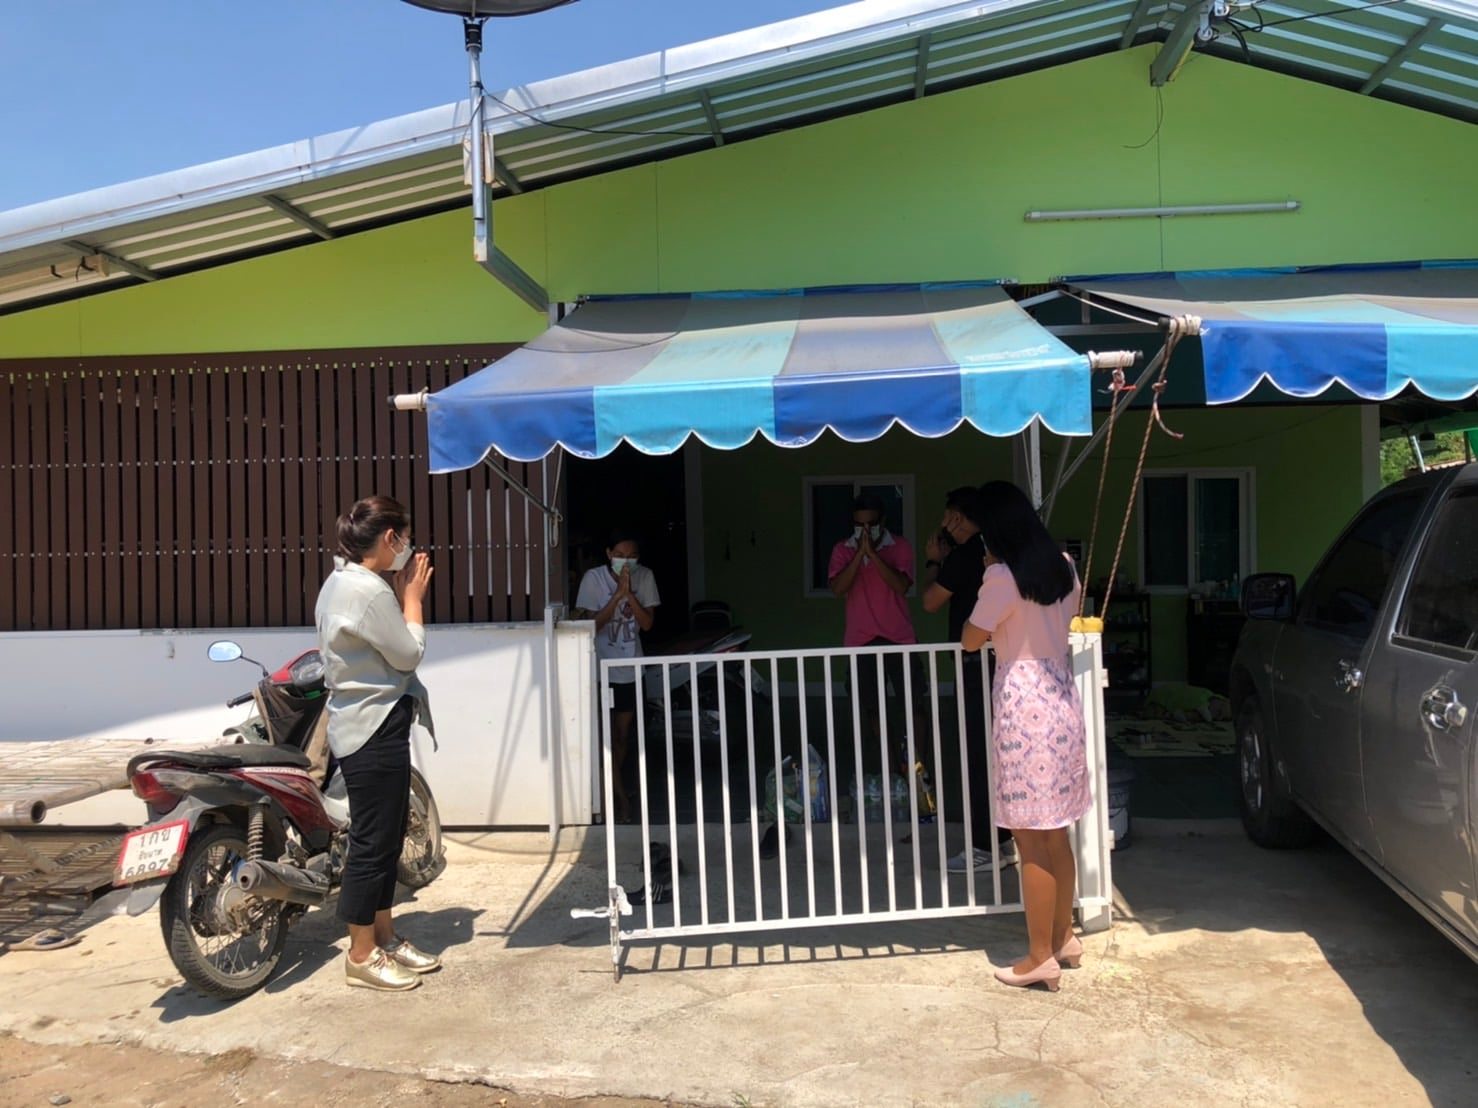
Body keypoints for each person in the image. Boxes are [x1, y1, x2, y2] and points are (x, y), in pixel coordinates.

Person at [962, 481, 1090, 993]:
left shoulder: (1000, 577)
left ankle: (1039, 957)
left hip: (1022, 708)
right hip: (1061, 700)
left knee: (1030, 839)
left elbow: (971, 638)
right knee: (1056, 832)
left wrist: (988, 576)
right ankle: (1063, 938)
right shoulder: (1064, 566)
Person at [316, 495, 441, 992]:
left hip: (368, 723)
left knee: (387, 836)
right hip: (372, 727)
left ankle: (384, 936)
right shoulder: (367, 592)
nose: (408, 547)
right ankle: (362, 953)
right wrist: (412, 598)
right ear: (390, 538)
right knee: (372, 842)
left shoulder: (344, 582)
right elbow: (408, 654)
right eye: (405, 537)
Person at [921, 487, 1016, 874]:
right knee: (998, 753)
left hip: (976, 664)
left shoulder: (965, 556)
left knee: (978, 755)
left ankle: (984, 847)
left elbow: (930, 601)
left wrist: (934, 562)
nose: (944, 524)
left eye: (948, 517)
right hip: (1002, 662)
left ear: (958, 518)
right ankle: (1006, 838)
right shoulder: (1000, 549)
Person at [827, 494, 927, 790]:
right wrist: (860, 554)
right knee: (873, 710)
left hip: (900, 638)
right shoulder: (842, 550)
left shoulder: (900, 546)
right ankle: (894, 771)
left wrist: (874, 554)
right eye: (859, 525)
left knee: (914, 706)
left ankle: (919, 768)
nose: (865, 530)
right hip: (861, 641)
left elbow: (901, 585)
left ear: (882, 521)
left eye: (871, 523)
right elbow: (838, 588)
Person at [575, 529, 660, 823]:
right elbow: (591, 626)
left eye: (632, 556)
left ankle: (613, 788)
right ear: (609, 554)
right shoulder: (593, 579)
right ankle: (619, 797)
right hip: (600, 668)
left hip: (630, 668)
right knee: (604, 736)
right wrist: (617, 596)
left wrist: (629, 594)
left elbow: (647, 624)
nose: (626, 561)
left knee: (622, 734)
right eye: (620, 555)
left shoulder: (645, 577)